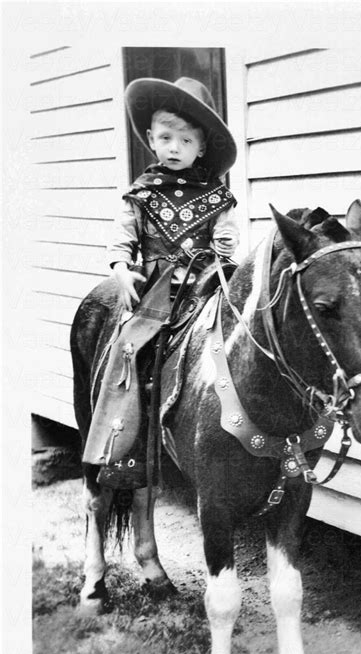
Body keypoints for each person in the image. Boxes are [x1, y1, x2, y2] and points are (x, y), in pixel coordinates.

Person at [82, 77, 239, 486]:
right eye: (166, 137)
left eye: (185, 141)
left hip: (205, 286)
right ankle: (122, 456)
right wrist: (120, 268)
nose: (174, 147)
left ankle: (218, 438)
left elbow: (226, 244)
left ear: (201, 147)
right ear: (151, 139)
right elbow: (123, 239)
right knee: (129, 353)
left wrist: (222, 265)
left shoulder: (217, 197)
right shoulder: (141, 193)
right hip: (154, 291)